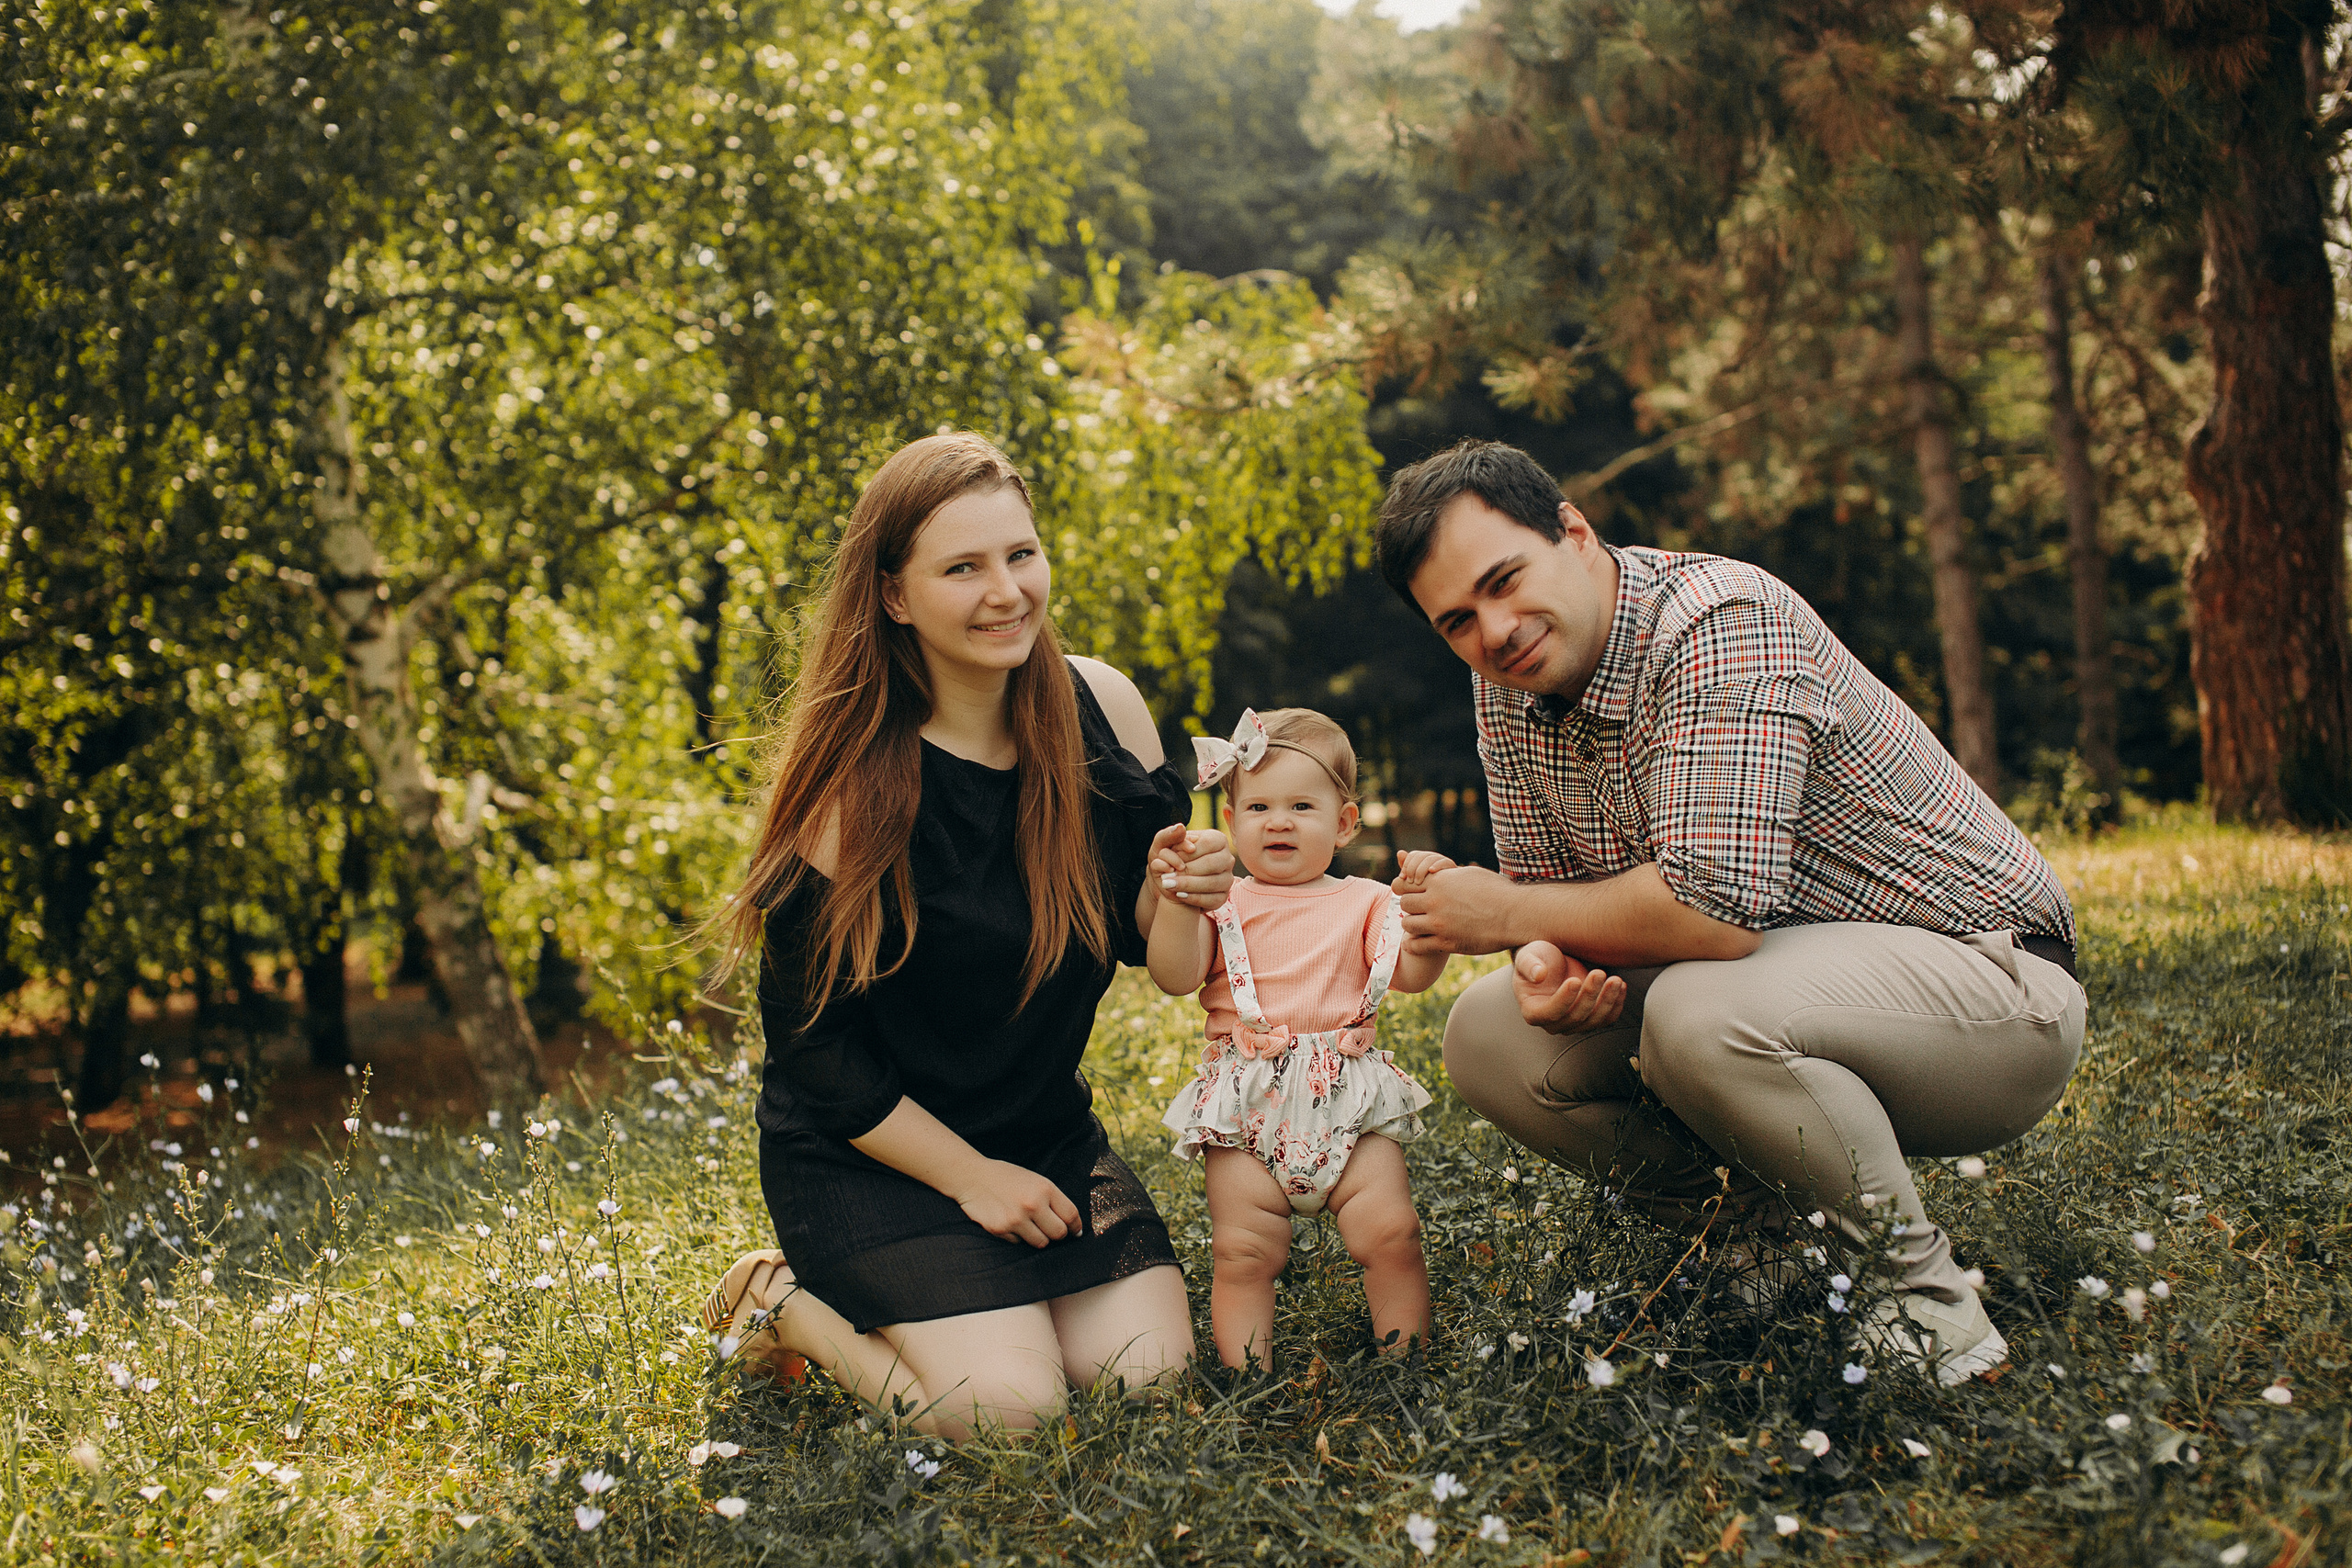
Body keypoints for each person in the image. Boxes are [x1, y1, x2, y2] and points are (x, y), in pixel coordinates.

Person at [1374, 439, 2086, 1386]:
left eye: (1505, 581)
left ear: (1574, 533)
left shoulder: (1720, 622)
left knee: (1697, 1011)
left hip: (1994, 993)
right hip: (1774, 990)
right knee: (1487, 1034)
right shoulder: (1509, 686)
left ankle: (1925, 1303)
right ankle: (1762, 1247)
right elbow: (1550, 905)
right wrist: (1550, 974)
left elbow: (1711, 911)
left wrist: (1503, 915)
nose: (1495, 631)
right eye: (1458, 621)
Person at [696, 432, 1234, 1441]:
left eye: (1019, 555)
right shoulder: (850, 785)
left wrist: (1190, 893)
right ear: (894, 596)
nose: (1006, 593)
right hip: (870, 1159)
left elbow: (1163, 965)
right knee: (1011, 1411)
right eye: (962, 568)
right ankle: (781, 1305)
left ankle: (988, 1310)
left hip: (1039, 1134)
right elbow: (820, 1061)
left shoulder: (1101, 707)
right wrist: (970, 1180)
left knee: (1145, 1380)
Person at [1148, 706, 1445, 1370]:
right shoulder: (1220, 900)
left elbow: (1415, 974)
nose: (1277, 820)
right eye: (1257, 806)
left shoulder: (1367, 900)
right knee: (1243, 1250)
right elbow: (1174, 974)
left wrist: (1430, 913)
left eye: (1301, 805)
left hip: (1347, 1098)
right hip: (1245, 1105)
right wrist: (1174, 896)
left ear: (1343, 823)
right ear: (1229, 823)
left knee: (1392, 1230)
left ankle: (1407, 1362)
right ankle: (1246, 1374)